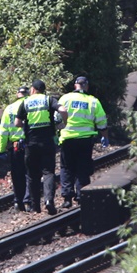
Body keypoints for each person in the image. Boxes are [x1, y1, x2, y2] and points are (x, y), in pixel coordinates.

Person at [55, 75, 107, 207]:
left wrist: (56, 133)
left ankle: (67, 198)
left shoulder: (65, 98)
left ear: (75, 85)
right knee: (82, 167)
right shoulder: (93, 101)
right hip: (85, 140)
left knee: (66, 168)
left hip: (67, 139)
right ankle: (81, 195)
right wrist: (104, 136)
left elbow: (56, 118)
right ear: (87, 86)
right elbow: (101, 121)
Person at [17, 79, 59, 215]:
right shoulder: (49, 100)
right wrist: (62, 123)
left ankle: (35, 206)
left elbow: (17, 122)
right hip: (47, 141)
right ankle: (48, 201)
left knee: (32, 175)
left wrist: (27, 126)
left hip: (31, 143)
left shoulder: (25, 102)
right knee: (48, 172)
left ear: (33, 89)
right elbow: (62, 109)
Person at [0, 85, 32, 212]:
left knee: (17, 175)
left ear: (17, 94)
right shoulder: (31, 105)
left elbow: (3, 131)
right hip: (29, 144)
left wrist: (1, 149)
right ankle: (29, 201)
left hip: (15, 147)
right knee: (30, 173)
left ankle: (18, 201)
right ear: (28, 94)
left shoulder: (9, 109)